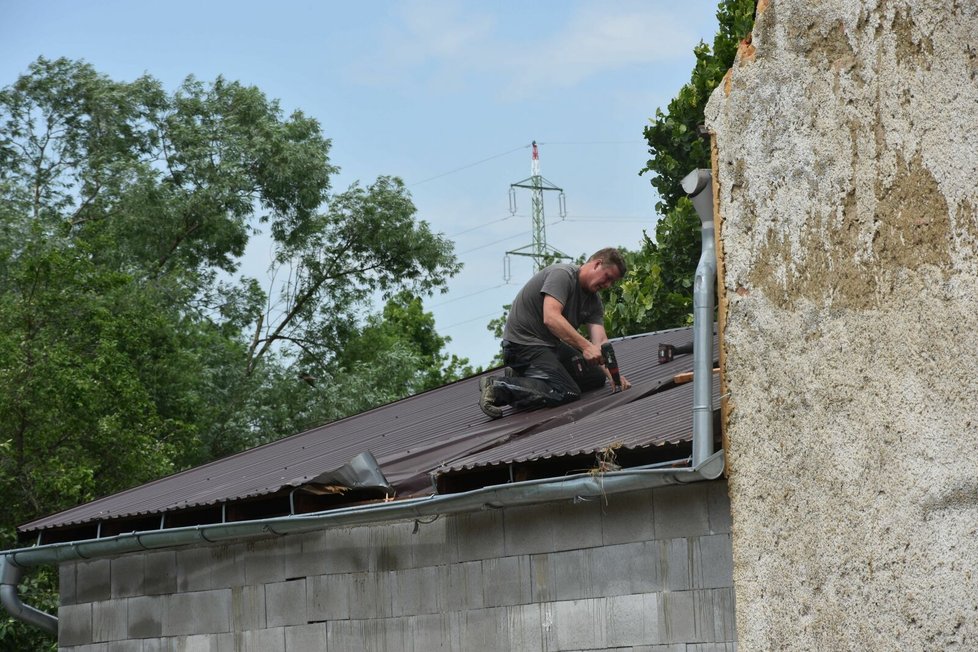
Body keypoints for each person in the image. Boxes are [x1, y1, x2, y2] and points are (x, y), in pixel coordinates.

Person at [479, 247, 632, 419]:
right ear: (597, 264)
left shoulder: (593, 301)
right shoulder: (563, 275)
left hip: (549, 346)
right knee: (566, 391)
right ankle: (497, 387)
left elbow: (600, 341)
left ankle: (523, 377)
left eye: (612, 282)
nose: (607, 285)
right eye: (608, 278)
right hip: (522, 345)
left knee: (596, 377)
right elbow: (550, 318)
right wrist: (585, 346)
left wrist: (614, 375)